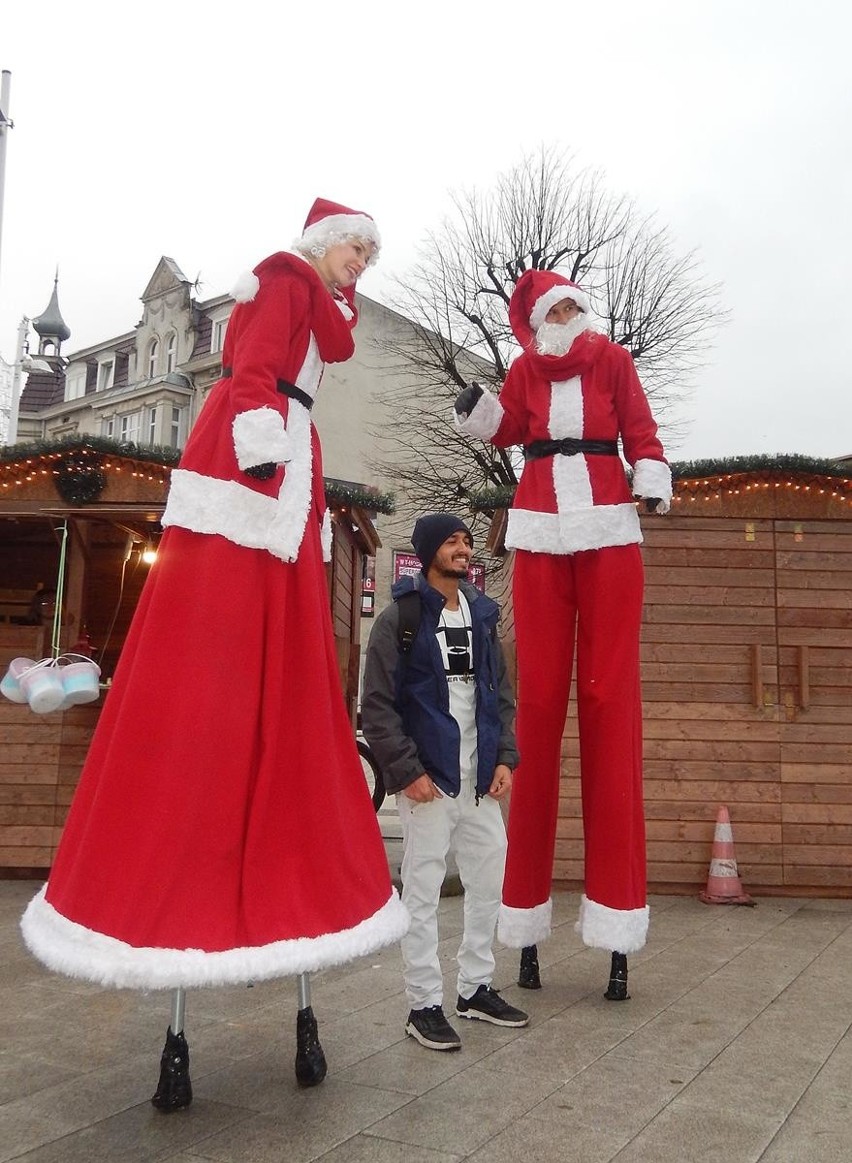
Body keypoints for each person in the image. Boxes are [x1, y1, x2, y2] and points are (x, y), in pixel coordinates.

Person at [21, 198, 408, 1105]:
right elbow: (247, 375)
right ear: (325, 242)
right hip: (253, 477)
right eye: (357, 247)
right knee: (225, 655)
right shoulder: (282, 277)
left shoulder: (317, 301)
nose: (363, 264)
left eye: (370, 254)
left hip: (282, 484)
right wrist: (265, 461)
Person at [453, 270, 671, 1000]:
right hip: (542, 529)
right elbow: (512, 426)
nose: (569, 317)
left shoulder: (613, 361)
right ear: (537, 320)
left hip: (610, 528)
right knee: (538, 709)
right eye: (557, 309)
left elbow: (639, 430)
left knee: (611, 702)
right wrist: (479, 409)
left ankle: (616, 923)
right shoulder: (523, 370)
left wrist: (650, 476)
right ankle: (523, 921)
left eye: (576, 306)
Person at [361, 513, 529, 1050]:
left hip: (479, 780)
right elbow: (378, 706)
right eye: (452, 542)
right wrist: (407, 772)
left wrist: (504, 757)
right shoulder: (401, 618)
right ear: (430, 550)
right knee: (424, 891)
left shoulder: (482, 615)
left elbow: (500, 697)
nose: (463, 550)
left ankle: (475, 988)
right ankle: (423, 1003)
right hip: (428, 781)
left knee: (489, 883)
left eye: (466, 542)